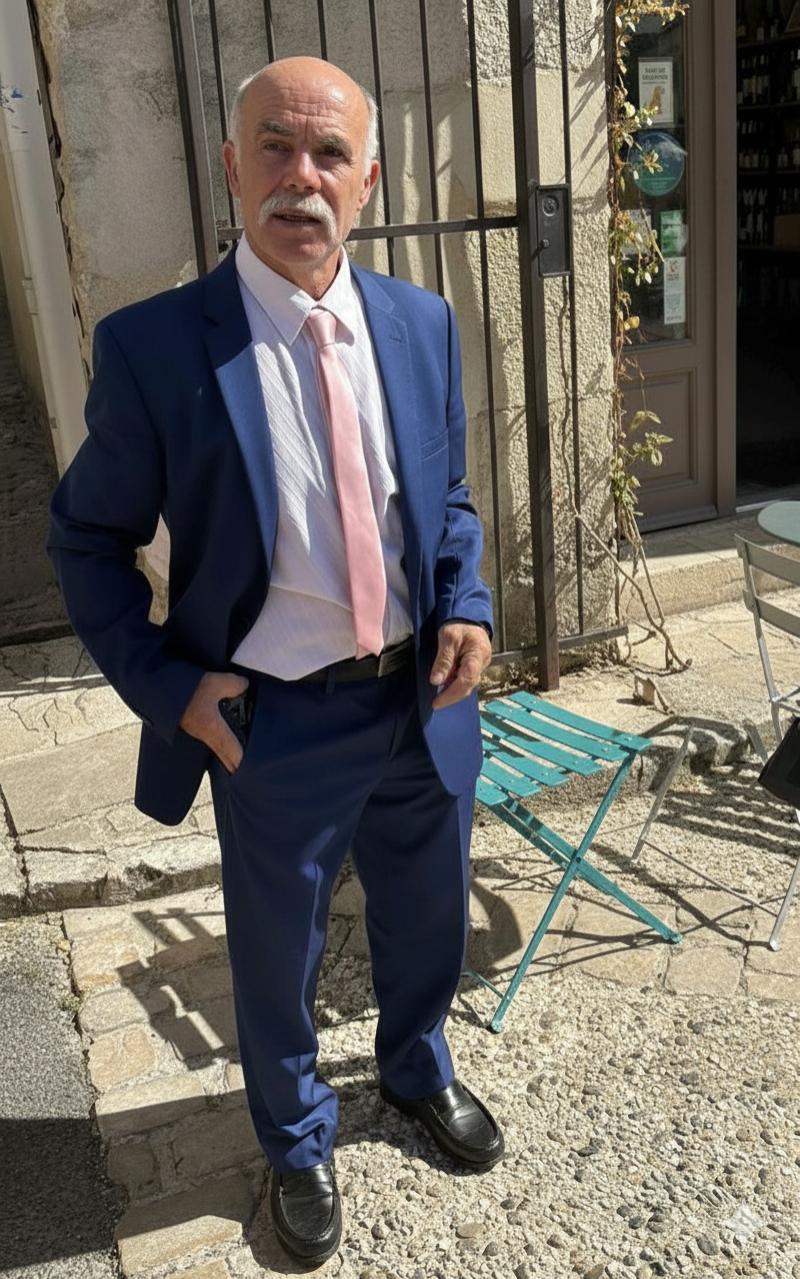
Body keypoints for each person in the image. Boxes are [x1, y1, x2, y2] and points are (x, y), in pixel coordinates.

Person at [47, 56, 503, 1268]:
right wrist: (168, 686)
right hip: (275, 719)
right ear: (232, 166)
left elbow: (446, 501)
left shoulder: (418, 322)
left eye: (328, 154)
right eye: (275, 149)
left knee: (428, 914)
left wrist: (466, 602)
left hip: (419, 696)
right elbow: (85, 538)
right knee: (277, 953)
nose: (301, 178)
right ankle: (296, 1138)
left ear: (366, 180)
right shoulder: (156, 349)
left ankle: (413, 1069)